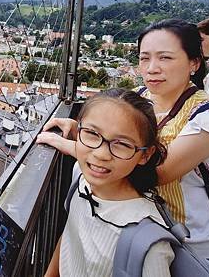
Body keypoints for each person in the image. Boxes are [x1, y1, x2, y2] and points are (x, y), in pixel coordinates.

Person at [41, 19, 209, 277]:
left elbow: (154, 173)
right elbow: (119, 137)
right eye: (144, 58)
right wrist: (81, 130)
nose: (152, 68)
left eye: (165, 58)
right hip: (139, 229)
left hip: (194, 246)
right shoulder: (142, 97)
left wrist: (74, 146)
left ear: (194, 63)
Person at [39, 88, 173, 277]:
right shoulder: (82, 179)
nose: (101, 154)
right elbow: (71, 236)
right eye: (92, 133)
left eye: (122, 144)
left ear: (145, 155)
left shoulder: (148, 243)